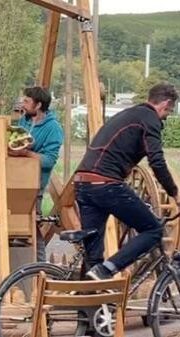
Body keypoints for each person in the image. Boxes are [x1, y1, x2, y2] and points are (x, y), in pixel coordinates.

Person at [75, 83, 180, 280]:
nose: (167, 116)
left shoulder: (129, 114)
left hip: (83, 183)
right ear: (165, 103)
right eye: (169, 111)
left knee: (93, 258)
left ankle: (88, 307)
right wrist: (174, 193)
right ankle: (109, 268)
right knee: (153, 229)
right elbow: (156, 160)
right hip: (106, 184)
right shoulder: (149, 118)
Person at [9, 86, 64, 262]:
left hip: (34, 186)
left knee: (31, 229)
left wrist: (26, 153)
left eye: (26, 101)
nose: (22, 104)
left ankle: (40, 269)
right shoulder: (23, 121)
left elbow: (48, 160)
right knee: (16, 230)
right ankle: (20, 269)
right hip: (14, 183)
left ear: (38, 105)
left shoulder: (53, 128)